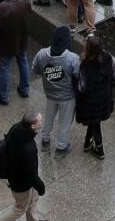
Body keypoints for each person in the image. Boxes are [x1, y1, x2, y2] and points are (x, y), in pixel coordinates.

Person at [0, 112, 50, 221]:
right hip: (21, 184)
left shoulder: (16, 128)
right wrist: (41, 186)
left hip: (15, 175)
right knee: (19, 208)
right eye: (39, 120)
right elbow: (32, 175)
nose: (41, 121)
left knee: (33, 197)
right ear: (33, 126)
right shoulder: (28, 148)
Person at [32, 25, 81, 154]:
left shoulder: (41, 54)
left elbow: (35, 70)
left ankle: (45, 139)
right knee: (65, 122)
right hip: (67, 97)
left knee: (48, 117)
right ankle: (61, 147)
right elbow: (78, 75)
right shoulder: (72, 58)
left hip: (50, 94)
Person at [75, 34, 115, 159]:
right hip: (104, 98)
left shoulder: (84, 64)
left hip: (89, 101)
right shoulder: (108, 58)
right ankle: (87, 143)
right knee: (95, 121)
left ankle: (99, 148)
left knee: (94, 122)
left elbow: (81, 87)